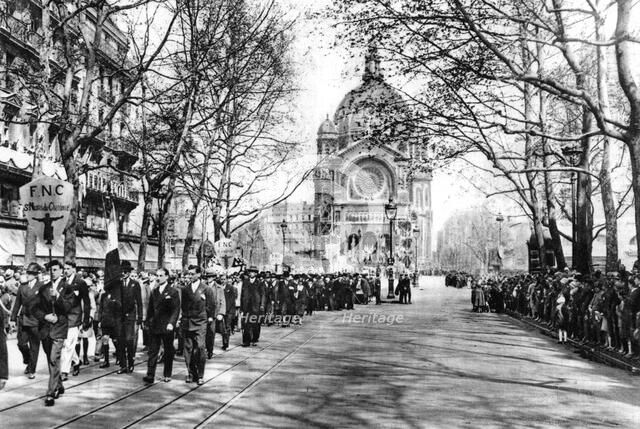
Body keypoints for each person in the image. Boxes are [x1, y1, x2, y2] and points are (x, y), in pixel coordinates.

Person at [28, 260, 74, 407]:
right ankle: (59, 385)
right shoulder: (44, 289)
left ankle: (50, 393)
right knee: (50, 359)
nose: (52, 272)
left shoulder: (68, 288)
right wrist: (44, 316)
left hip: (59, 328)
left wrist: (58, 297)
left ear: (61, 271)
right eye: (51, 270)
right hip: (46, 329)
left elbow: (68, 308)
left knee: (54, 358)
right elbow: (33, 308)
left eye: (55, 270)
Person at [143, 268, 180, 384]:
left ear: (167, 277)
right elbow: (150, 309)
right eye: (157, 276)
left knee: (168, 350)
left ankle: (167, 374)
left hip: (167, 326)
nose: (158, 278)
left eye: (161, 275)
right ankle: (150, 374)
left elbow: (176, 310)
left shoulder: (173, 291)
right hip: (155, 325)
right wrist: (147, 321)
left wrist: (171, 323)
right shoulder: (154, 291)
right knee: (153, 351)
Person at [180, 265, 214, 385]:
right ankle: (190, 372)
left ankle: (200, 374)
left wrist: (210, 317)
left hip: (200, 321)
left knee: (200, 347)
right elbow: (183, 305)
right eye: (189, 274)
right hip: (188, 321)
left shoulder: (206, 289)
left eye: (192, 274)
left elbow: (211, 305)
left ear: (199, 274)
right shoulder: (185, 289)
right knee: (188, 348)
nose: (190, 276)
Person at [10, 262, 44, 379]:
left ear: (35, 275)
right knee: (21, 343)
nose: (28, 275)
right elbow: (17, 304)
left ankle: (32, 369)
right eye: (27, 273)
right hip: (24, 319)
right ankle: (28, 360)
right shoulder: (22, 286)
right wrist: (13, 318)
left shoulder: (42, 286)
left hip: (36, 320)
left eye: (30, 273)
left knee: (35, 347)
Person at [60, 261, 90, 380]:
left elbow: (86, 302)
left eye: (68, 268)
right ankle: (76, 362)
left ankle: (64, 371)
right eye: (64, 269)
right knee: (65, 344)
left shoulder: (80, 283)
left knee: (68, 344)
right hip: (63, 317)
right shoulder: (62, 282)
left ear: (74, 269)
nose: (66, 271)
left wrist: (86, 319)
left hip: (74, 316)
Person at [116, 261, 143, 374]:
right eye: (122, 271)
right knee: (120, 341)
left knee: (129, 340)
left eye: (126, 271)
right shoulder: (118, 284)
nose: (124, 273)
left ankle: (131, 362)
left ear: (129, 272)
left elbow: (139, 302)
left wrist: (140, 317)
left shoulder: (135, 284)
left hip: (130, 316)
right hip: (119, 316)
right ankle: (123, 365)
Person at [241, 266, 265, 345]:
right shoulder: (245, 282)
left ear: (256, 273)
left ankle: (255, 339)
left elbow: (263, 295)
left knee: (255, 324)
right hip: (246, 306)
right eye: (250, 272)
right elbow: (242, 295)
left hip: (256, 306)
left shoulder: (260, 283)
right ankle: (246, 341)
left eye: (253, 272)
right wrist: (242, 307)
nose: (252, 273)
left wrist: (262, 305)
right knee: (246, 324)